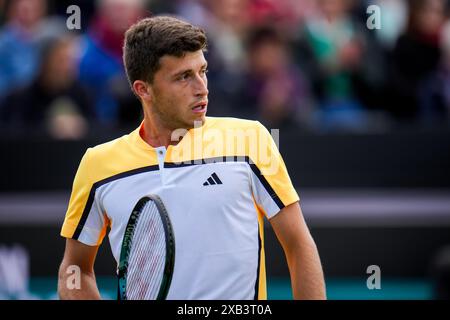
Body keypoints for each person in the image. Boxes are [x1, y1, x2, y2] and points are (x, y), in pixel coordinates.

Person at [57, 15, 326, 300]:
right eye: (184, 77)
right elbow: (75, 268)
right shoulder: (97, 164)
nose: (202, 87)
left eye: (203, 71)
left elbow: (298, 244)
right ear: (143, 89)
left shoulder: (252, 140)